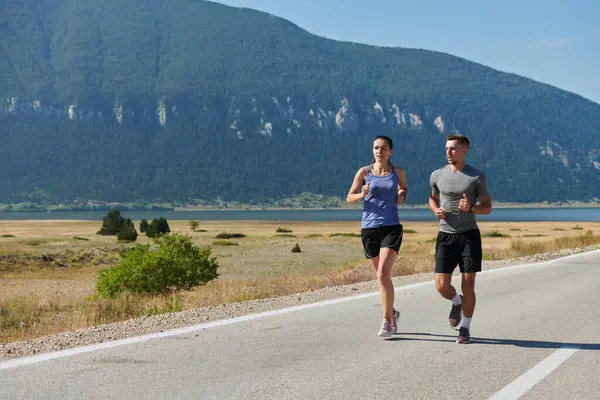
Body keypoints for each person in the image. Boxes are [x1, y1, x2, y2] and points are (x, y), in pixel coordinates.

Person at [428, 134, 492, 344]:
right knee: (441, 286)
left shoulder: (476, 176)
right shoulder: (437, 175)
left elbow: (488, 207)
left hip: (469, 236)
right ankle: (457, 302)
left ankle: (465, 328)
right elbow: (432, 198)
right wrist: (436, 210)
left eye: (453, 148)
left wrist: (471, 208)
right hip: (445, 235)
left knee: (468, 283)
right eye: (446, 148)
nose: (448, 152)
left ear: (464, 150)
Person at [347, 135, 408, 338]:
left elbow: (403, 190)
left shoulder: (397, 172)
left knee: (383, 274)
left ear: (390, 151)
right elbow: (349, 197)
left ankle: (386, 321)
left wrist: (401, 195)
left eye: (383, 148)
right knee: (381, 278)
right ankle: (392, 312)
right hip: (369, 229)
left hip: (391, 227)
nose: (379, 151)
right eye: (375, 148)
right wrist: (362, 194)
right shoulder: (364, 172)